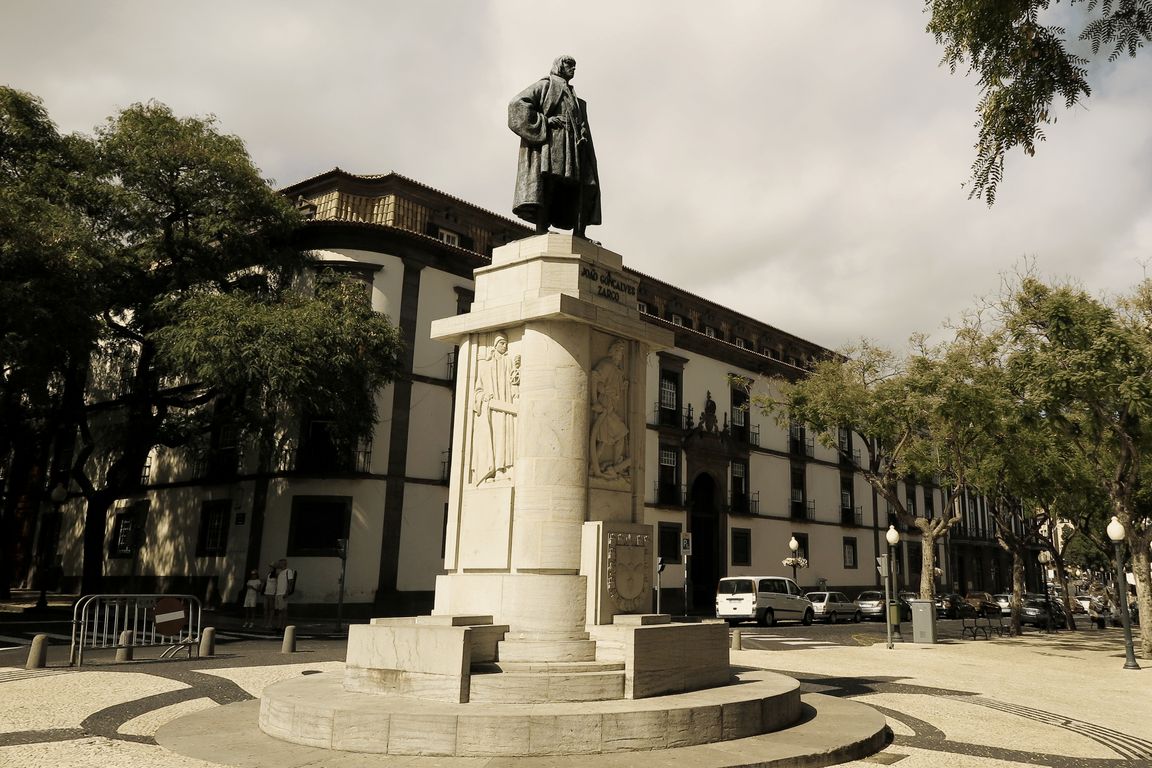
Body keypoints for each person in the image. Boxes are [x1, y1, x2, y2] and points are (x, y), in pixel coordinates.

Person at [509, 55, 601, 237]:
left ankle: (579, 232)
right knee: (549, 182)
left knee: (584, 186)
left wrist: (581, 130)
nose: (573, 69)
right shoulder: (546, 85)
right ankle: (541, 228)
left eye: (575, 66)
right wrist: (545, 122)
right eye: (569, 65)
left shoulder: (573, 95)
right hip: (554, 143)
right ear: (559, 66)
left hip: (574, 145)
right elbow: (516, 104)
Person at [471, 334, 517, 484]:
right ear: (496, 345)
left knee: (506, 438)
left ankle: (502, 469)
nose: (505, 346)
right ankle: (493, 470)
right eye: (502, 343)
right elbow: (477, 391)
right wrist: (484, 396)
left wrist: (517, 373)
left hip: (506, 408)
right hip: (492, 410)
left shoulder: (509, 363)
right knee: (495, 438)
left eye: (506, 343)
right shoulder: (485, 367)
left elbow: (514, 382)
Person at [589, 339, 630, 478]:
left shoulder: (617, 371)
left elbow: (614, 390)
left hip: (610, 409)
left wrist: (622, 387)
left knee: (603, 441)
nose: (621, 355)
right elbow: (594, 378)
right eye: (618, 352)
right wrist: (595, 402)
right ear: (613, 352)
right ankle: (610, 465)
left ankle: (595, 467)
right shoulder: (607, 365)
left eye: (622, 353)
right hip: (605, 409)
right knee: (620, 434)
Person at [273, 557, 296, 630]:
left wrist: (287, 592)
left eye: (280, 563)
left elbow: (290, 582)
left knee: (283, 610)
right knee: (279, 611)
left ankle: (283, 627)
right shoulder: (280, 572)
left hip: (283, 593)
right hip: (278, 593)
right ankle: (279, 626)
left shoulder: (288, 571)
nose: (279, 564)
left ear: (283, 564)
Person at [262, 562, 278, 628]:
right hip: (267, 593)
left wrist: (275, 593)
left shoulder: (276, 575)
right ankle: (265, 622)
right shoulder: (268, 574)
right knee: (265, 608)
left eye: (271, 567)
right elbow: (266, 582)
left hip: (272, 593)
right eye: (270, 567)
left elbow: (277, 584)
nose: (270, 568)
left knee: (271, 609)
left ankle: (270, 623)